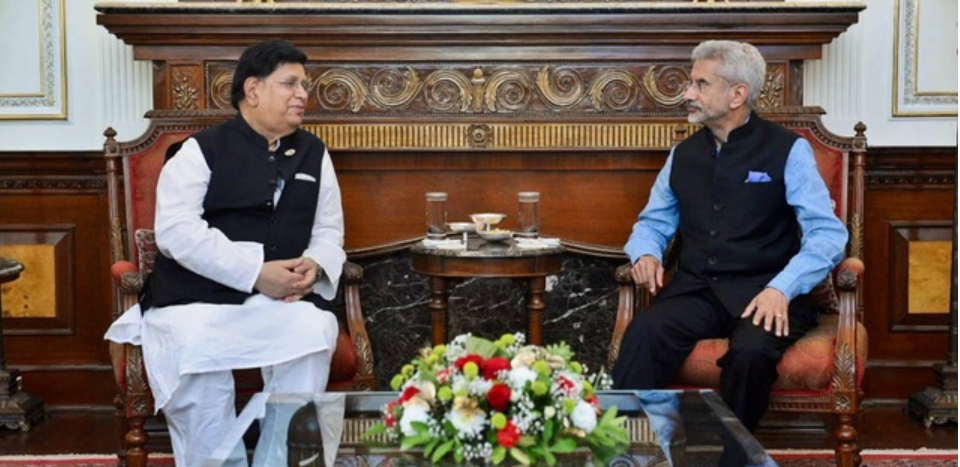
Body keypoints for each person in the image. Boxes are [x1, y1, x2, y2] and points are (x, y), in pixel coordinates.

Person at [105, 39, 345, 467]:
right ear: (253, 90)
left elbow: (328, 230)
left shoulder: (314, 153)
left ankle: (284, 461)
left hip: (278, 301)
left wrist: (316, 264)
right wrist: (255, 273)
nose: (303, 94)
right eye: (290, 83)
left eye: (304, 85)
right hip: (194, 299)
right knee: (194, 346)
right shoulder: (200, 150)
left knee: (312, 332)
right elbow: (177, 232)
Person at [612, 40, 848, 434]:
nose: (688, 94)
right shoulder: (682, 155)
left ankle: (732, 455)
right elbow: (653, 222)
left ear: (737, 94)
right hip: (698, 291)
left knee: (750, 355)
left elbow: (827, 234)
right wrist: (646, 253)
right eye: (691, 83)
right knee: (643, 334)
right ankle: (626, 451)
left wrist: (782, 288)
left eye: (701, 84)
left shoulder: (789, 150)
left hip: (767, 292)